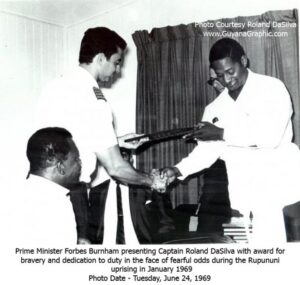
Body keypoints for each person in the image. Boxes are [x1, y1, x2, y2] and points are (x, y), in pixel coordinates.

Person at [35, 27, 166, 245]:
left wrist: (115, 142)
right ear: (100, 58)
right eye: (116, 62)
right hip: (69, 193)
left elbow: (65, 139)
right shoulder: (94, 98)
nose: (118, 70)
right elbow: (116, 168)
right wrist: (151, 181)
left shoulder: (54, 86)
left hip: (39, 190)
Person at [163, 38, 300, 242]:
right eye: (219, 75)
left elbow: (270, 136)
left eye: (230, 71)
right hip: (241, 195)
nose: (226, 80)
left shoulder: (272, 88)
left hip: (280, 191)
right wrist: (177, 170)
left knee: (284, 258)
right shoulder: (214, 108)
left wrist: (220, 133)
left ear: (243, 61)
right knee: (244, 252)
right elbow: (206, 152)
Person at [14, 127, 81, 244]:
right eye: (76, 159)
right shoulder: (52, 204)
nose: (80, 164)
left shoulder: (21, 194)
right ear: (60, 166)